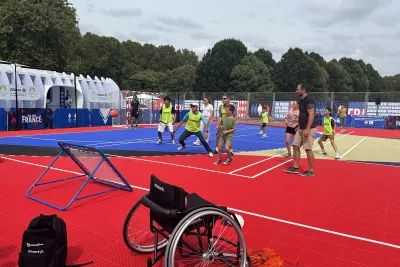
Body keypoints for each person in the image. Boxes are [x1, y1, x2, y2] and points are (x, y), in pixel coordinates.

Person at [284, 84, 317, 177]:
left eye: (297, 89)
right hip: (300, 128)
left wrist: (307, 128)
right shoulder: (301, 101)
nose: (296, 91)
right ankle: (295, 167)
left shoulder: (309, 100)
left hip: (309, 128)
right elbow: (301, 115)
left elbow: (311, 114)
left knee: (308, 149)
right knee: (295, 145)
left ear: (303, 90)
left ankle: (311, 170)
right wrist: (299, 126)